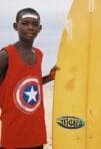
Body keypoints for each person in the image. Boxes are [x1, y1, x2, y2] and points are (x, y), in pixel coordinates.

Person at [0, 8, 58, 148]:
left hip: (36, 134)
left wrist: (48, 78)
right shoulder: (5, 55)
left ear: (40, 28)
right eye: (25, 23)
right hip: (13, 134)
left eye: (34, 24)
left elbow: (30, 83)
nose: (30, 27)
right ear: (16, 26)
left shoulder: (39, 54)